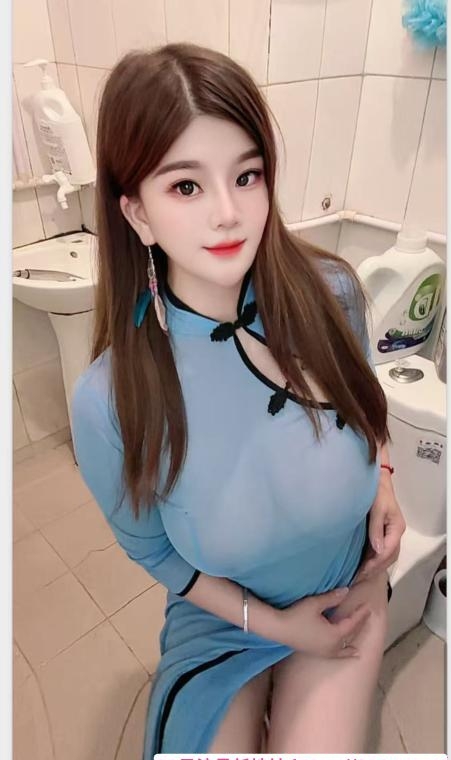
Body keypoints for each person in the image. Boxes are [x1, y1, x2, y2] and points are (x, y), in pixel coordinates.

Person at [71, 42, 406, 755]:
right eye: (186, 186)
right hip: (226, 619)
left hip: (346, 586)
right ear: (136, 213)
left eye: (246, 175)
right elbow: (157, 553)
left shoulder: (332, 295)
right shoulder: (110, 400)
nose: (229, 213)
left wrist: (383, 481)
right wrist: (274, 626)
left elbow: (367, 409)